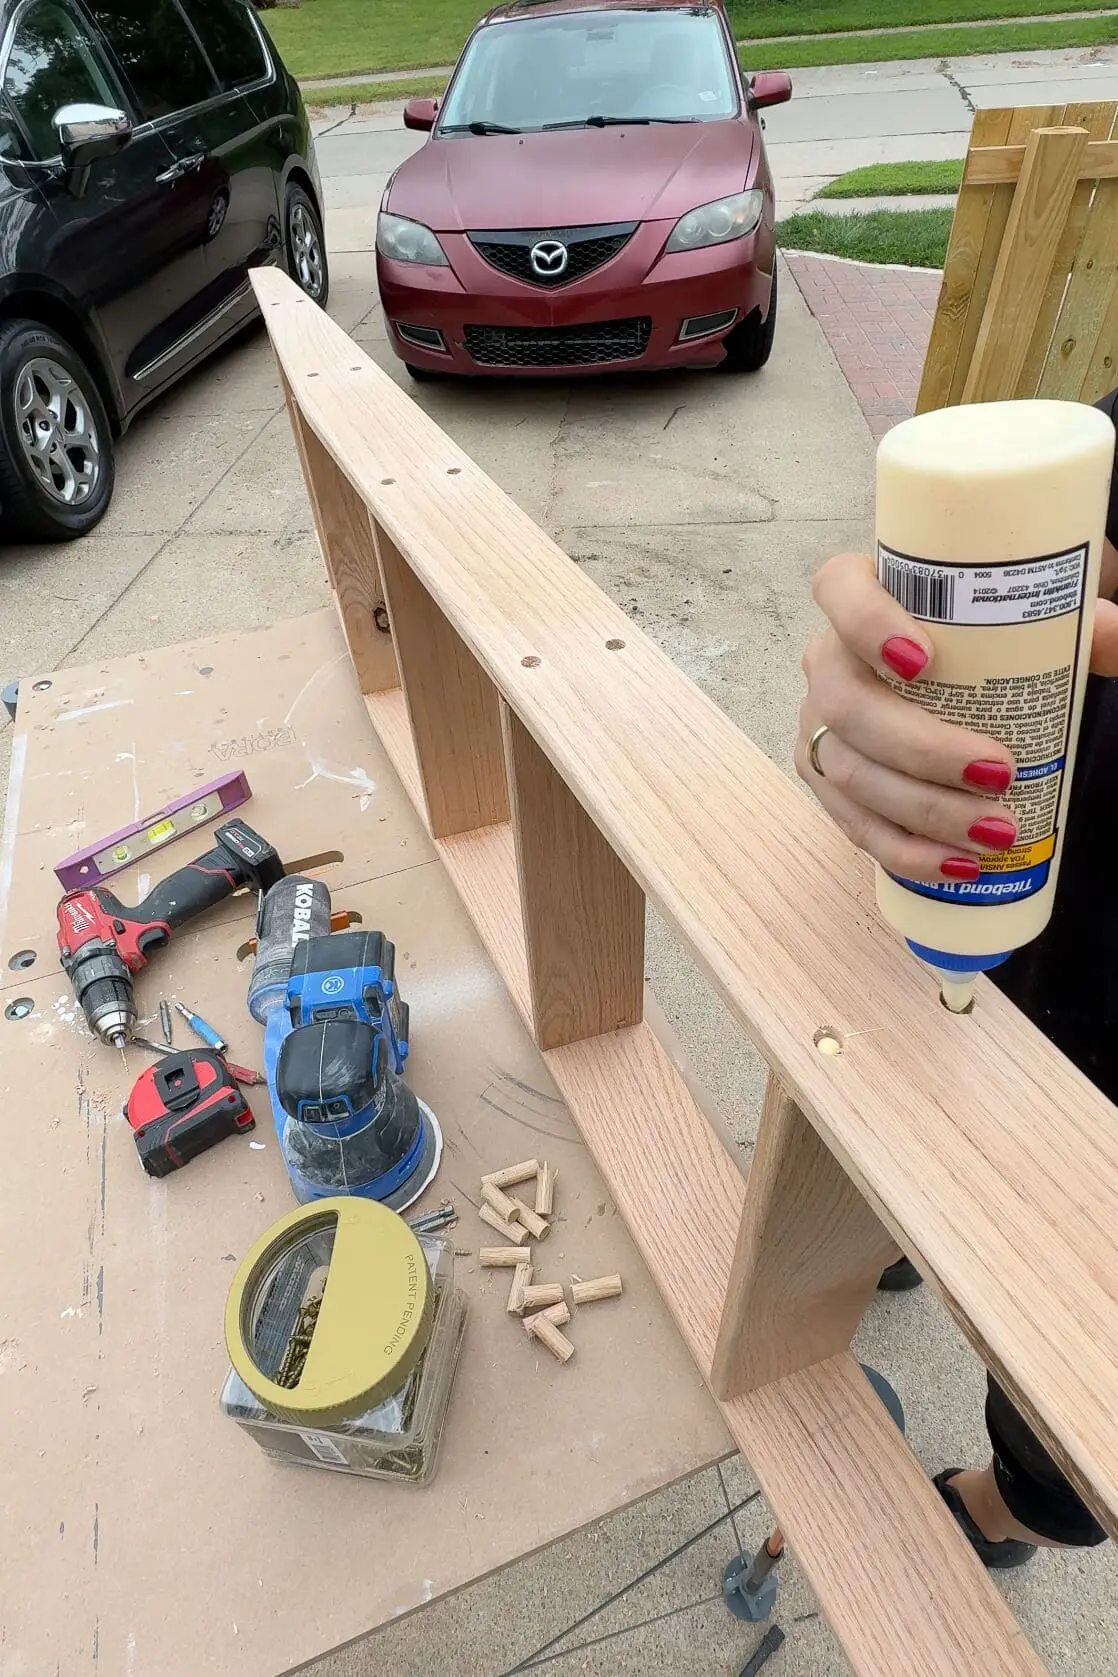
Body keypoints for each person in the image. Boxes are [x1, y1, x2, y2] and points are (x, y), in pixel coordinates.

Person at [795, 387, 1118, 1567]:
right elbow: (1055, 537)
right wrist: (865, 715)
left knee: (1075, 1348)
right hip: (1036, 911)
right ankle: (899, 1227)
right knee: (937, 1090)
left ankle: (1003, 1504)